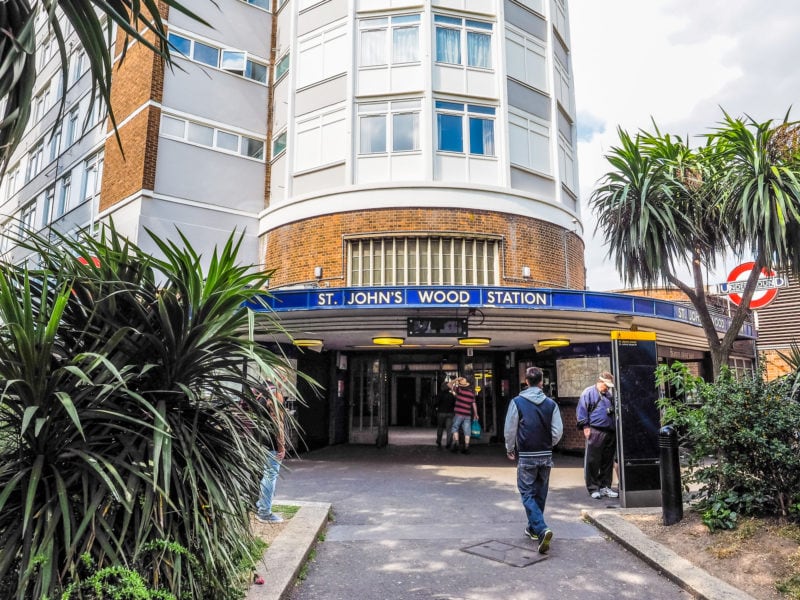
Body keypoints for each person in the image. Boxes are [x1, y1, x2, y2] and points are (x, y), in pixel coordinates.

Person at [504, 366, 563, 554]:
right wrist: (548, 443)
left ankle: (541, 528)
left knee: (527, 493)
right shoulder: (551, 404)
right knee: (540, 493)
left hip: (527, 455)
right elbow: (557, 431)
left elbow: (510, 428)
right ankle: (533, 528)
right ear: (541, 382)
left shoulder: (517, 402)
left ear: (526, 382)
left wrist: (510, 447)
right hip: (545, 455)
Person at [576, 371, 619, 499]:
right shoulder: (588, 392)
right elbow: (582, 410)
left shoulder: (608, 395)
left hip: (609, 431)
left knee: (607, 461)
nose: (607, 388)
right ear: (600, 382)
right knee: (593, 460)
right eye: (606, 385)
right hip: (595, 430)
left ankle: (605, 486)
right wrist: (585, 426)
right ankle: (593, 487)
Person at [255, 380, 286, 523]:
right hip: (271, 444)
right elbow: (277, 423)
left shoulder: (259, 394)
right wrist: (282, 447)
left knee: (263, 475)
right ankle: (265, 512)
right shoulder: (275, 395)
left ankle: (260, 505)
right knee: (270, 476)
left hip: (259, 441)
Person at [449, 377, 478, 454]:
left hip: (458, 413)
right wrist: (476, 414)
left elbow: (449, 384)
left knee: (455, 428)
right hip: (467, 414)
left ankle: (457, 444)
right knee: (467, 431)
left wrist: (456, 379)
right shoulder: (471, 393)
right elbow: (474, 404)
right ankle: (466, 447)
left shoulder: (459, 390)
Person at [434, 381, 455, 449]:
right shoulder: (451, 395)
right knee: (449, 429)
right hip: (450, 413)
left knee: (440, 427)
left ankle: (439, 441)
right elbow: (454, 404)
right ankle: (448, 443)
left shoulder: (440, 394)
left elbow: (436, 403)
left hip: (441, 413)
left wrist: (436, 408)